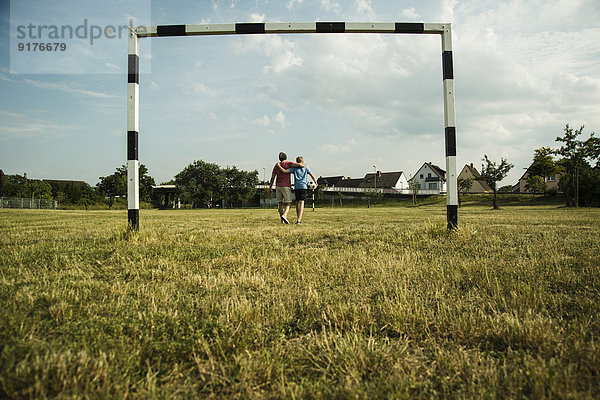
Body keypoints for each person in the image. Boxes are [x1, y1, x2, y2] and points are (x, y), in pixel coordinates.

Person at [277, 156, 318, 225]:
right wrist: (316, 183)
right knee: (302, 203)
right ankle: (299, 220)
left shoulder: (294, 169)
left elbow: (284, 171)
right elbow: (312, 175)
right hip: (303, 187)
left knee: (297, 203)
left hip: (297, 187)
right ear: (302, 162)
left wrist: (278, 166)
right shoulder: (306, 168)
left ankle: (298, 219)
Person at [268, 152, 305, 224]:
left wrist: (270, 187)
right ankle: (284, 215)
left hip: (278, 186)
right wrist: (305, 165)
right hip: (286, 186)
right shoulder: (288, 163)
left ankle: (282, 221)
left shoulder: (276, 166)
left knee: (280, 203)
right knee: (288, 203)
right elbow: (299, 165)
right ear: (286, 157)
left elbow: (272, 177)